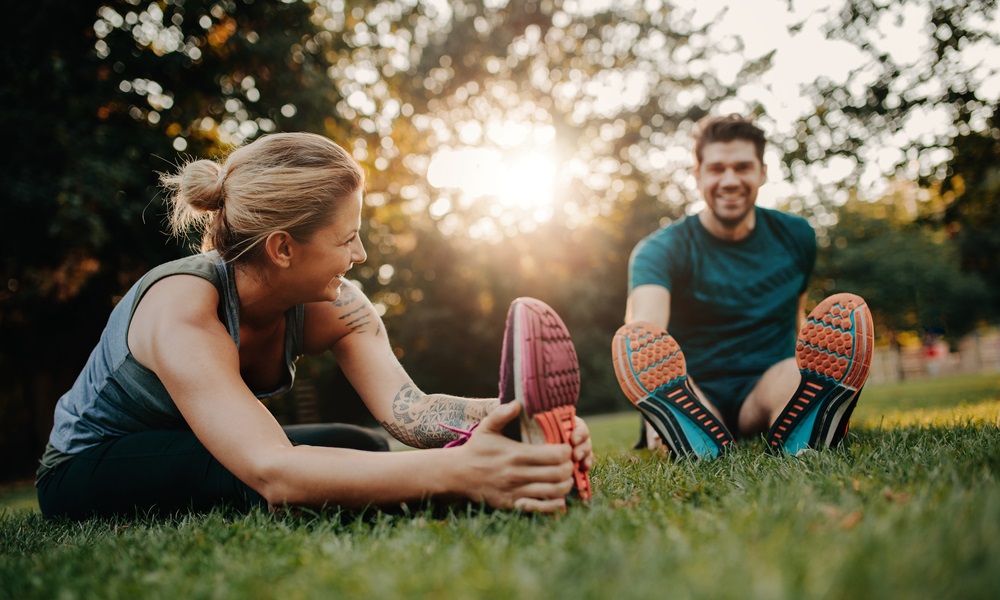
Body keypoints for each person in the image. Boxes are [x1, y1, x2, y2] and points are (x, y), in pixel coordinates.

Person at [36, 132, 593, 520]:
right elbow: (274, 470)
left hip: (197, 446)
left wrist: (519, 420)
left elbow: (413, 413)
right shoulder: (184, 306)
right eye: (346, 238)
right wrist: (462, 474)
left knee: (364, 447)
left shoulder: (337, 305)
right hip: (91, 464)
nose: (362, 253)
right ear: (282, 248)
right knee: (257, 480)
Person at [612, 114, 873, 458]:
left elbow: (796, 314)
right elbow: (644, 333)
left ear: (763, 172)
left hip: (766, 384)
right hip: (695, 387)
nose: (730, 180)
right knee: (681, 393)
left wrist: (809, 364)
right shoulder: (660, 249)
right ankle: (674, 423)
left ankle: (809, 420)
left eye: (742, 167)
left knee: (794, 378)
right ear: (698, 175)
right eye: (717, 169)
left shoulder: (797, 236)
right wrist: (648, 401)